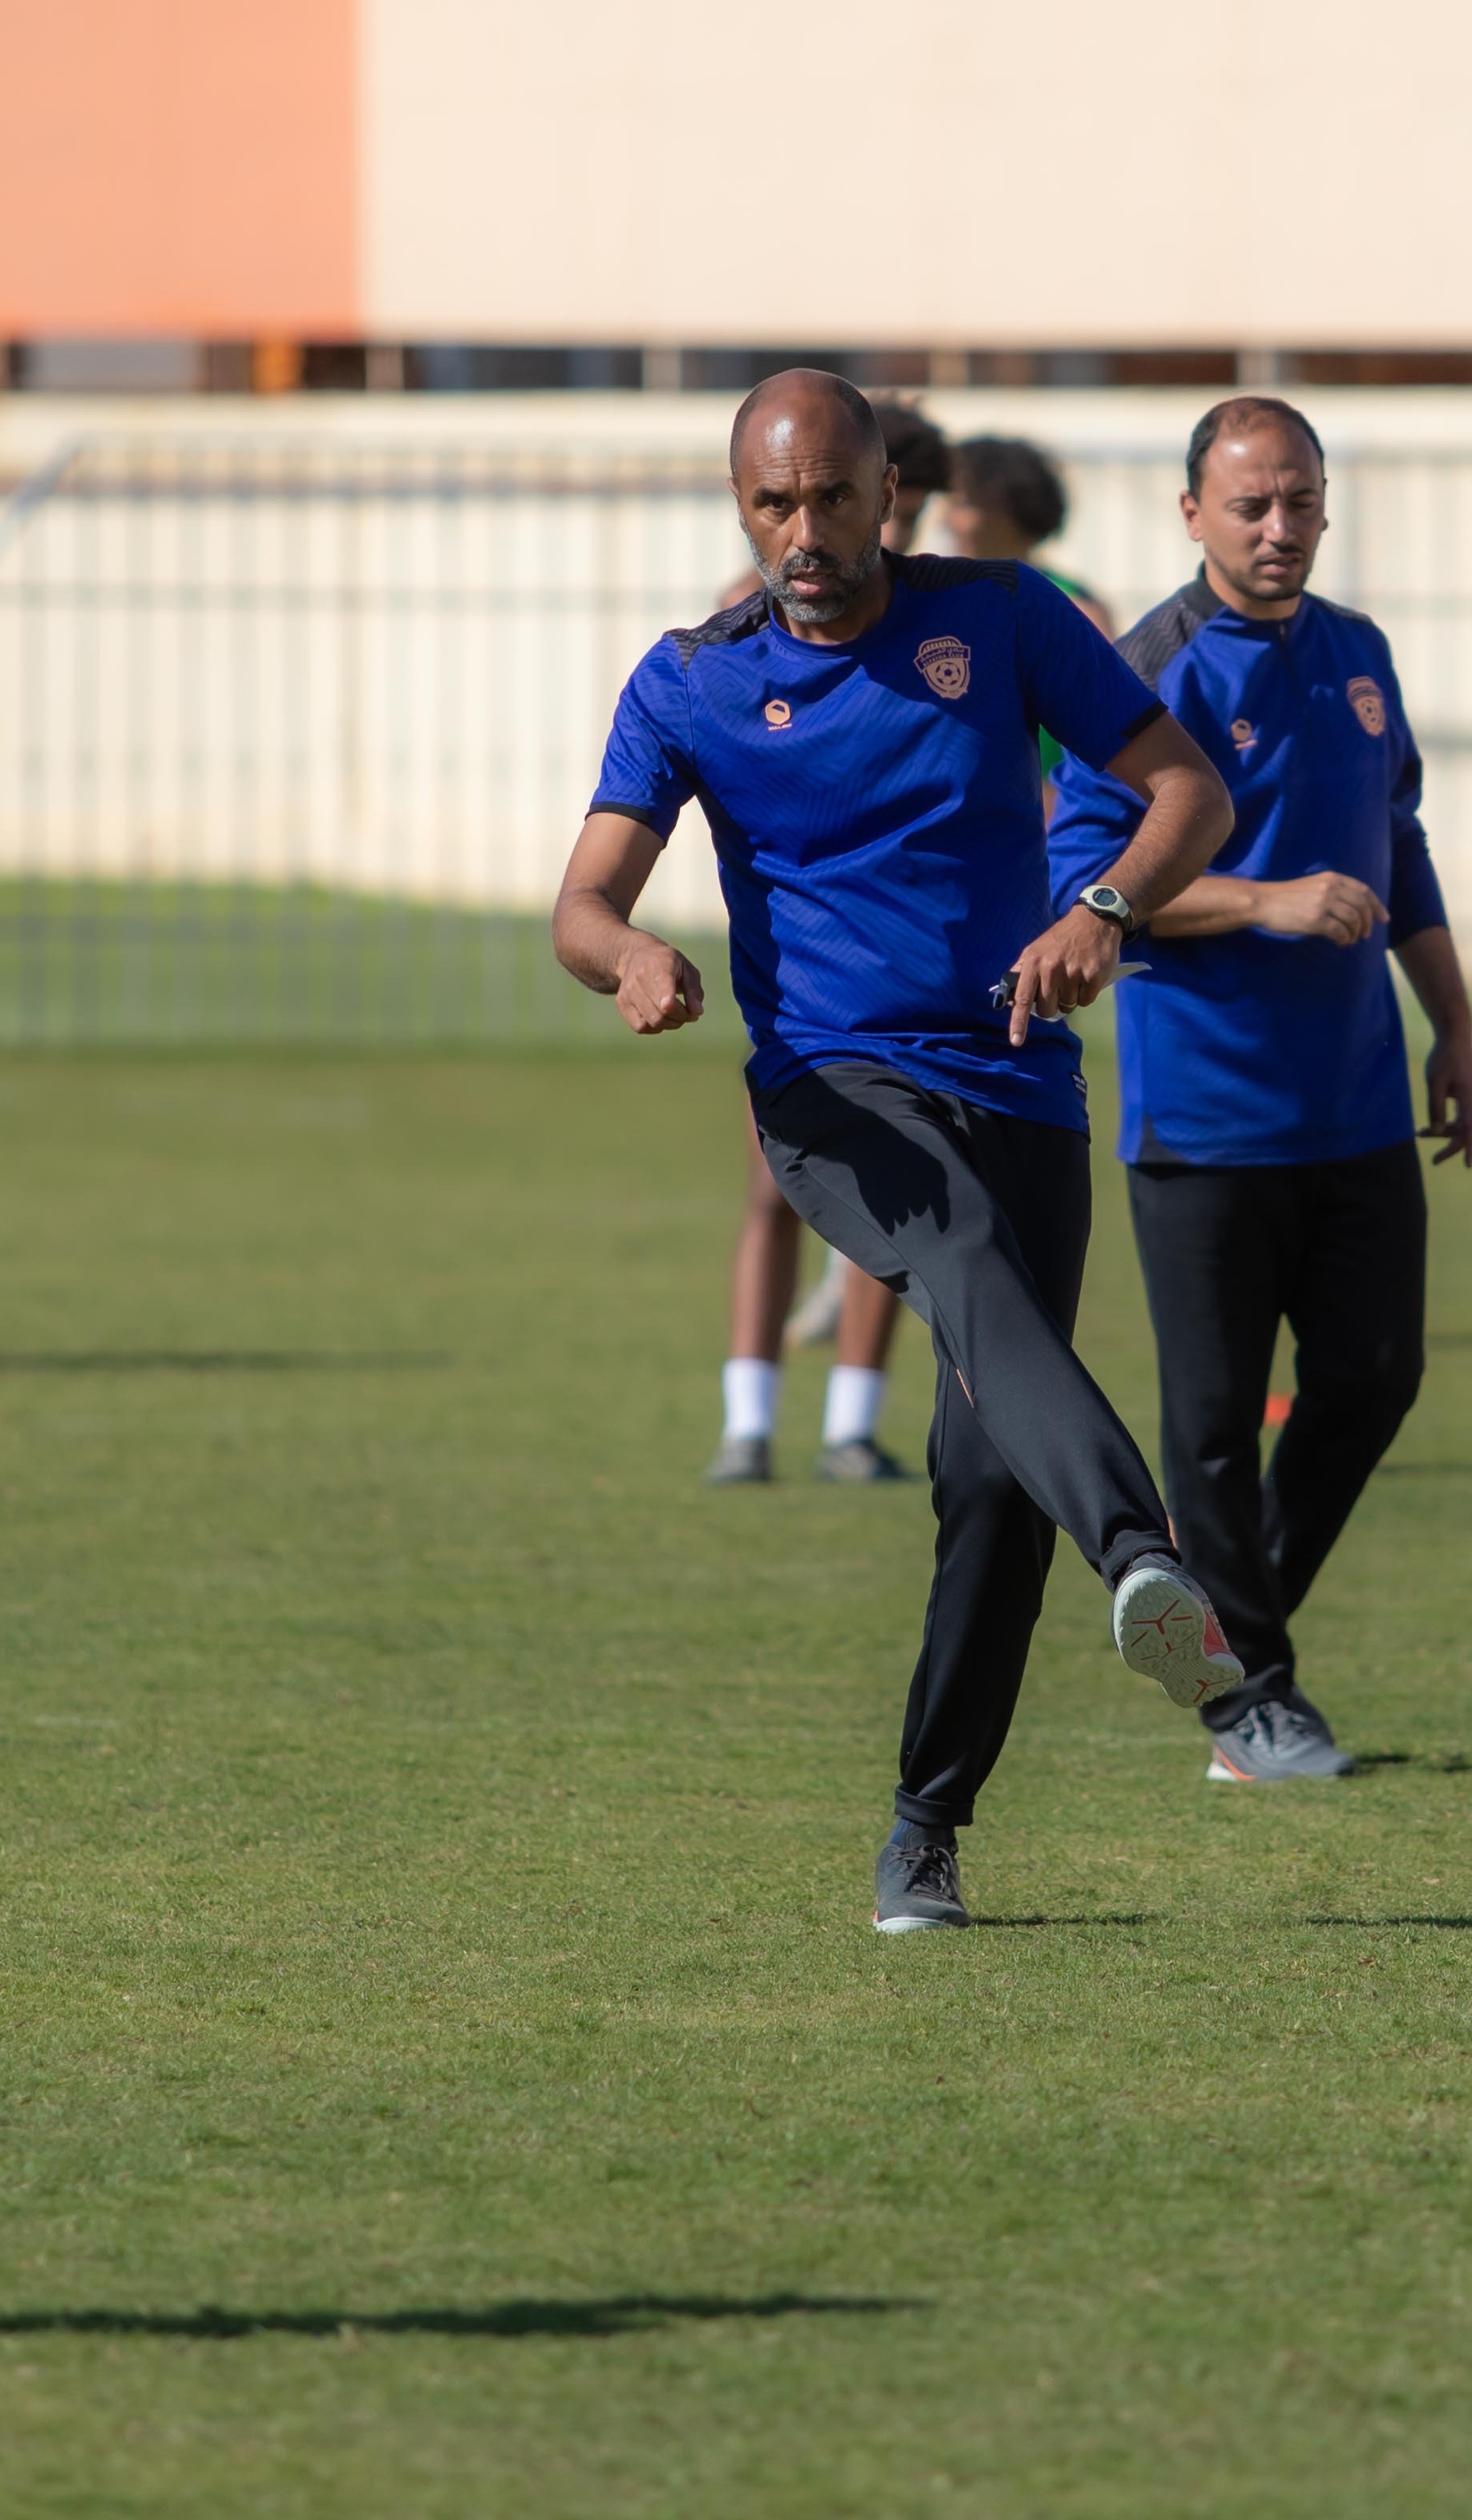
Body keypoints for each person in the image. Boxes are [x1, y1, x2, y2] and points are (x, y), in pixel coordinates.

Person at [553, 370, 1244, 1930]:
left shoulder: (1000, 619)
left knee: (986, 1478)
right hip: (829, 1088)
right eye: (771, 504)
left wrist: (1102, 910)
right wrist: (632, 958)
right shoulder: (688, 680)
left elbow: (1188, 791)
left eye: (832, 498)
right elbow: (580, 900)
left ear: (889, 491)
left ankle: (926, 1825)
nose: (805, 531)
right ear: (742, 504)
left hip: (1013, 1080)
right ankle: (1145, 1550)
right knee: (954, 1254)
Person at [1052, 396, 1472, 1783]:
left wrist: (1453, 1028)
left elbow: (1397, 845)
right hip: (1205, 1118)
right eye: (1250, 504)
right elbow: (1087, 895)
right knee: (1211, 1426)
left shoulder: (1359, 654)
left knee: (1374, 1376)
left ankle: (1234, 1641)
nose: (1279, 527)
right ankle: (1254, 1706)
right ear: (1191, 514)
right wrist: (1261, 901)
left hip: (1355, 1104)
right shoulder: (1138, 674)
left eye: (1299, 499)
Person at [709, 392, 956, 1479]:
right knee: (775, 1186)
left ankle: (851, 1421)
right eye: (786, 498)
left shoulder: (957, 620)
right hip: (798, 979)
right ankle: (747, 1417)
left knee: (890, 1193)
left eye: (847, 497)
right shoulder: (736, 620)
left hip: (921, 975)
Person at [942, 432, 1115, 637]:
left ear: (1011, 512)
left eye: (961, 505)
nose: (945, 521)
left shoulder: (1076, 611)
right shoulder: (936, 599)